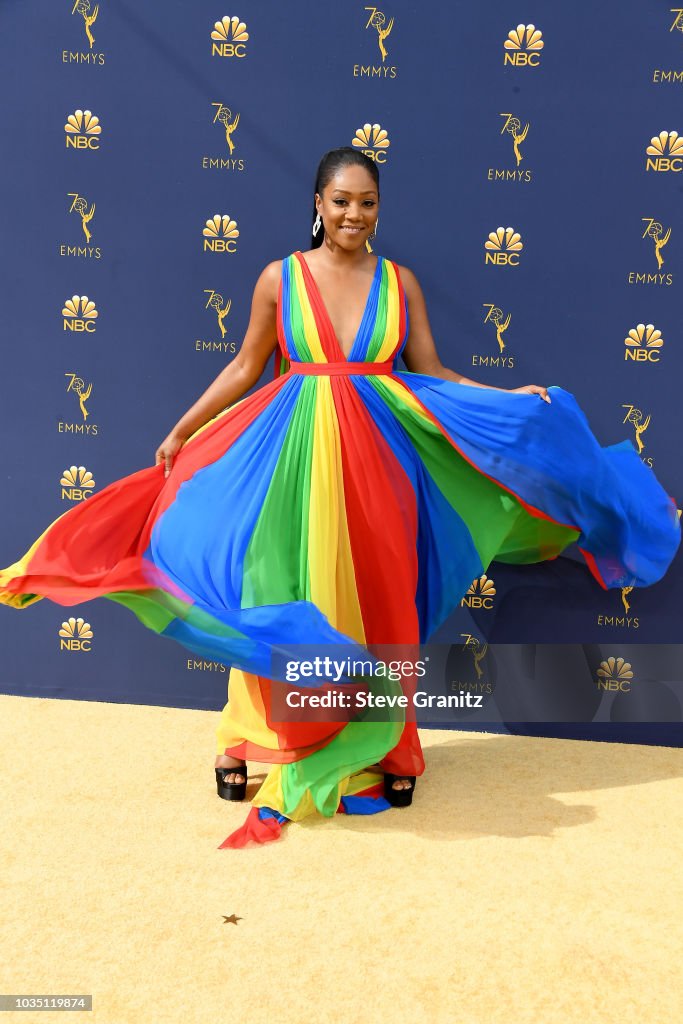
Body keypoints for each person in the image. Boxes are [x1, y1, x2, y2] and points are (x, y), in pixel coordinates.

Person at [1, 148, 680, 850]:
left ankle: (388, 748)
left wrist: (507, 398)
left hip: (380, 461)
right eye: (341, 201)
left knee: (382, 596)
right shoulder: (280, 277)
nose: (354, 214)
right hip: (291, 459)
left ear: (378, 208)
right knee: (279, 592)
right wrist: (182, 428)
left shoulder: (398, 281)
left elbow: (431, 370)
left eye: (367, 202)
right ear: (317, 204)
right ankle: (252, 740)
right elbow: (244, 363)